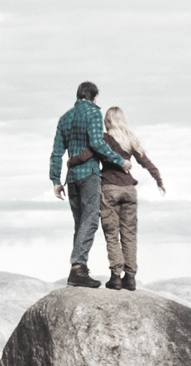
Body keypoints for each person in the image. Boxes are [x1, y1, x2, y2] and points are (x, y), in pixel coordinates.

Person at [67, 106, 164, 291]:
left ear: (107, 121)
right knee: (129, 235)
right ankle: (130, 277)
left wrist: (70, 161)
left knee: (112, 235)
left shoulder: (104, 139)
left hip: (109, 189)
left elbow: (86, 155)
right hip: (129, 190)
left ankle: (116, 277)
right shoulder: (131, 139)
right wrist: (158, 179)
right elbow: (146, 163)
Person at [49, 82, 131, 288]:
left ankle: (80, 268)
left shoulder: (65, 118)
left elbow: (57, 152)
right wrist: (121, 161)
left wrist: (56, 181)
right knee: (91, 220)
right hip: (89, 174)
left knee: (81, 224)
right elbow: (96, 142)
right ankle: (77, 267)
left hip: (72, 178)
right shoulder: (93, 113)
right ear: (94, 97)